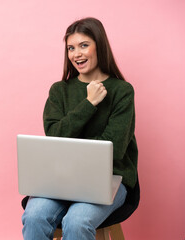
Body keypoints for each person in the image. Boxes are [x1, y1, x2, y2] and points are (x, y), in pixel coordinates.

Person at [21, 17, 138, 240]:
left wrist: (72, 140)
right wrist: (88, 103)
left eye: (84, 45)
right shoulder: (59, 90)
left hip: (108, 179)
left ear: (99, 46)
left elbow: (114, 147)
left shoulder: (122, 91)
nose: (76, 54)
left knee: (77, 221)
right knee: (34, 216)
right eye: (71, 48)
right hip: (60, 179)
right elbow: (55, 136)